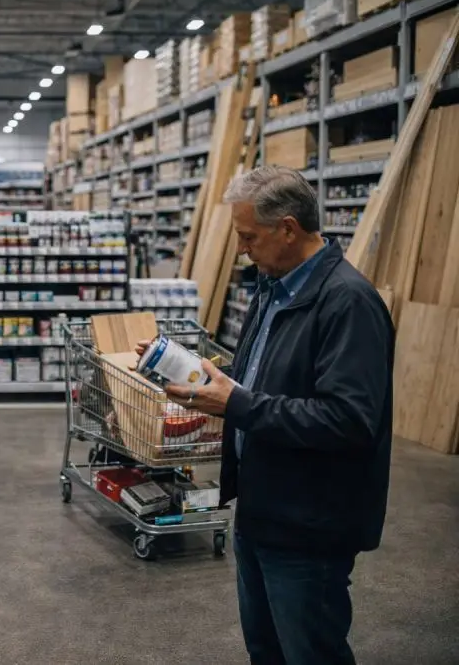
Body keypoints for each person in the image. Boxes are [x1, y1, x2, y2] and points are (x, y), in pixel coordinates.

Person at [139, 166, 394, 665]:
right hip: (260, 509)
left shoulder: (347, 303)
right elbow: (257, 375)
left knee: (310, 652)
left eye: (248, 236)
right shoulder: (272, 287)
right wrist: (192, 373)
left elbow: (349, 420)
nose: (240, 248)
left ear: (288, 229)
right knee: (266, 650)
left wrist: (234, 404)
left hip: (309, 524)